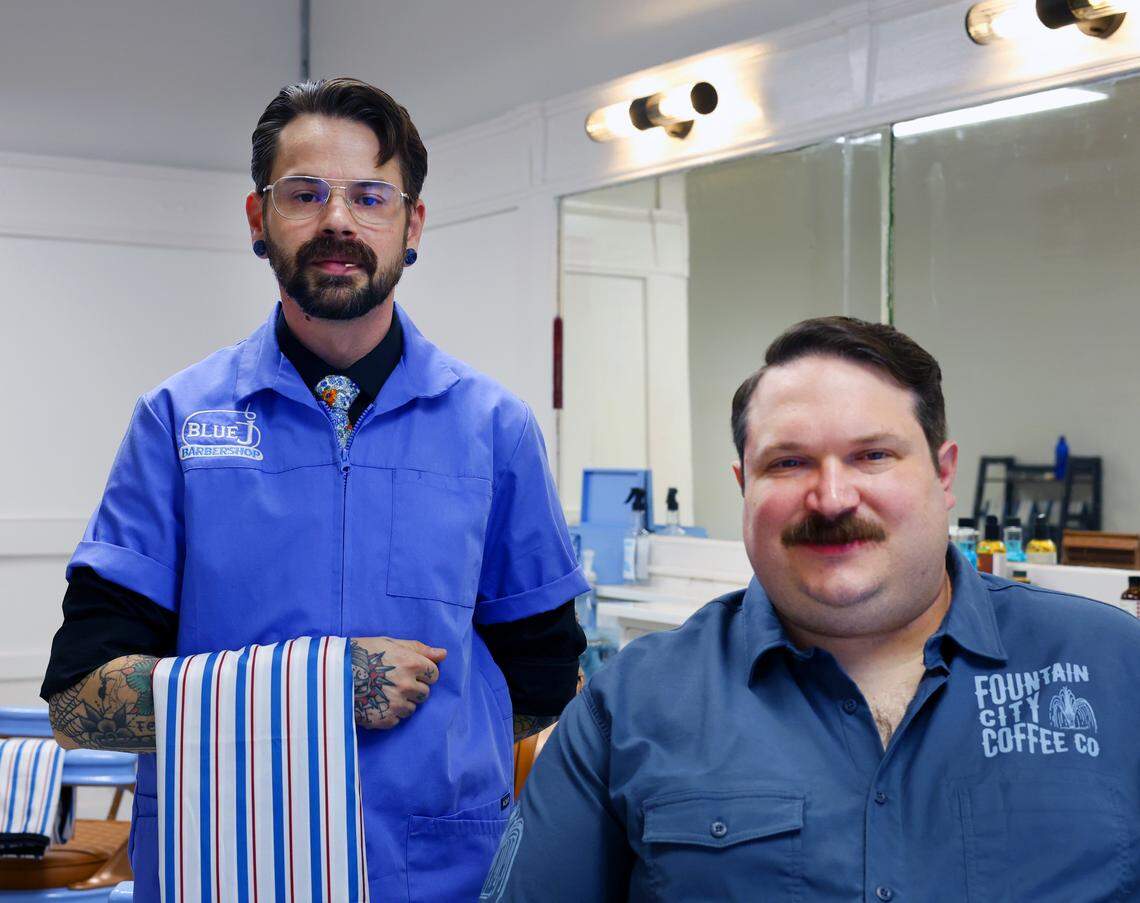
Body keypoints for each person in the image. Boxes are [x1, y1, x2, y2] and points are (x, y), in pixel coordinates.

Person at [40, 77, 587, 901]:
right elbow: (79, 701)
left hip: (437, 874)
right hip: (222, 862)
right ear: (258, 220)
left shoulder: (494, 428)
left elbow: (543, 678)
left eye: (370, 196)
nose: (338, 220)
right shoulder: (176, 422)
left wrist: (433, 762)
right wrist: (321, 692)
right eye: (305, 194)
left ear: (412, 225)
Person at [482, 316, 1140, 902]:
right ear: (743, 484)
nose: (831, 498)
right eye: (789, 462)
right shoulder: (630, 706)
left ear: (944, 474)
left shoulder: (1115, 670)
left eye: (873, 455)